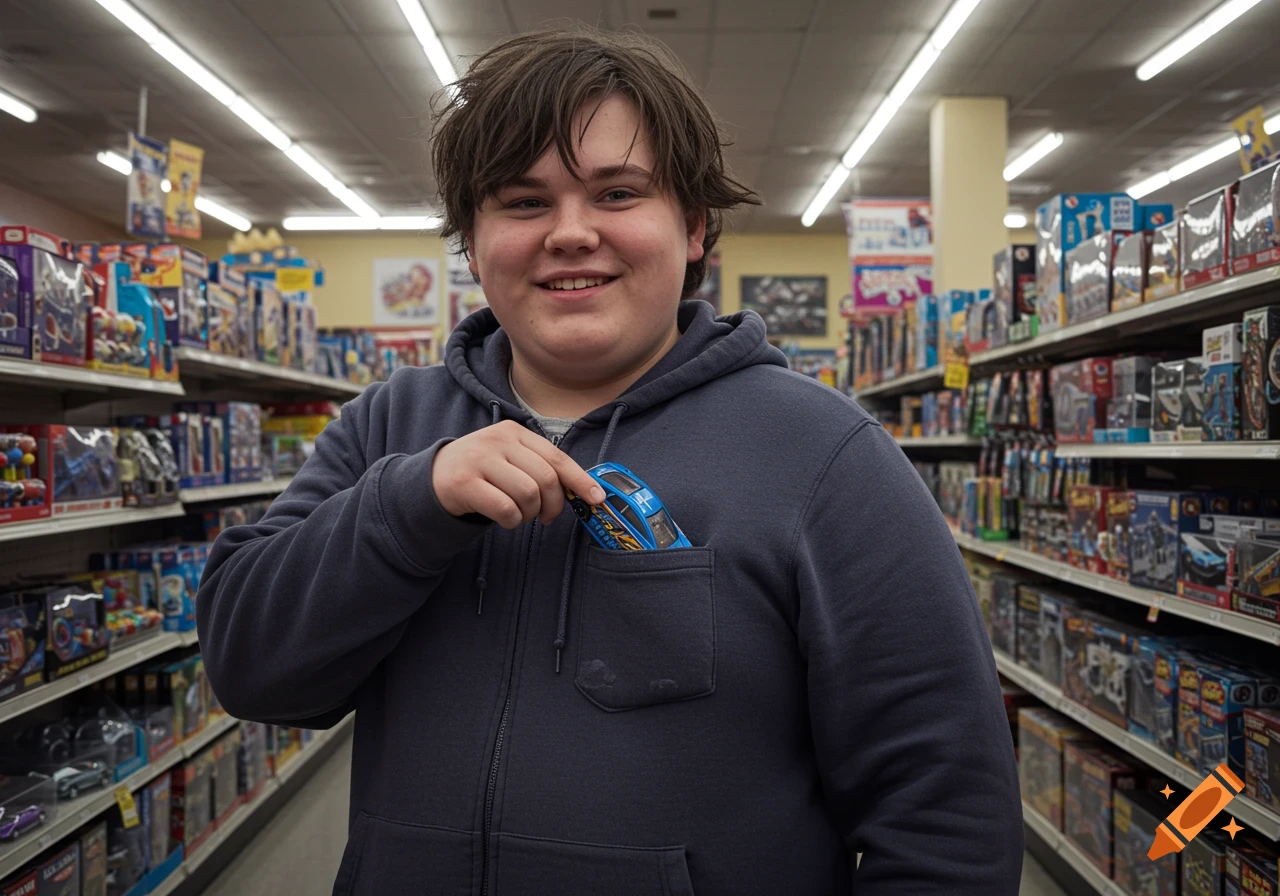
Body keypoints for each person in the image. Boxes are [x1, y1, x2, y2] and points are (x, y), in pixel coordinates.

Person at [198, 25, 1023, 895]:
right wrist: (410, 505)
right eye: (522, 202)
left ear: (695, 226)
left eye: (618, 193)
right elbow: (251, 671)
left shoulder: (827, 456)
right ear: (472, 245)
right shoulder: (387, 427)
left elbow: (947, 814)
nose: (570, 232)